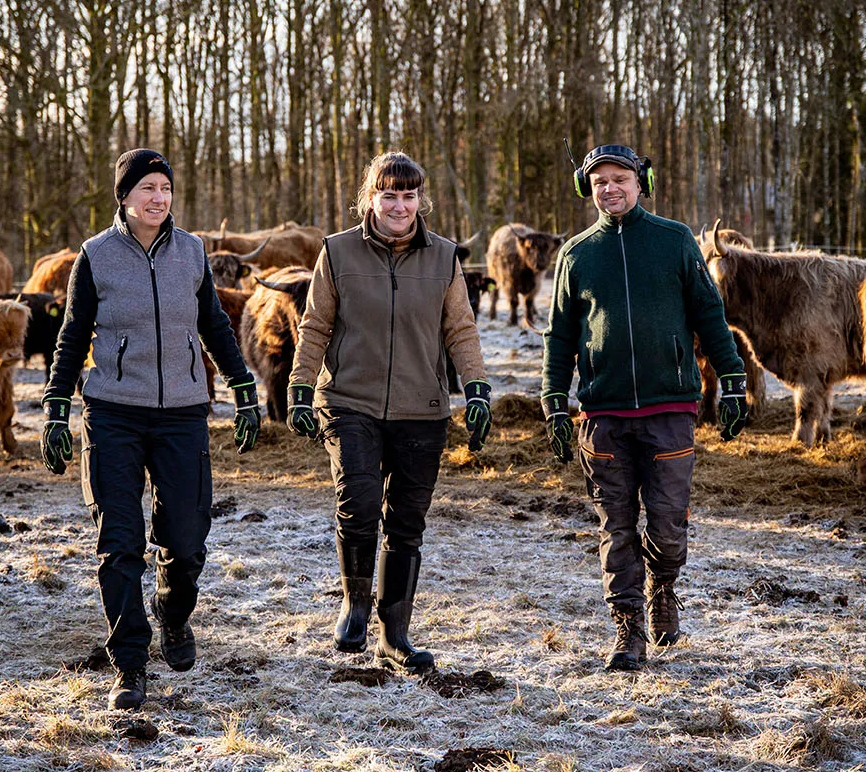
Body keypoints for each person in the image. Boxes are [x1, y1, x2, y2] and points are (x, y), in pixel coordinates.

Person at [40, 149, 261, 712]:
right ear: (124, 195)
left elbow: (213, 321)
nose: (158, 198)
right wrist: (55, 405)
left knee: (186, 543)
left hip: (184, 411)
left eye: (165, 187)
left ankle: (173, 611)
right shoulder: (94, 256)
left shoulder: (191, 251)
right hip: (113, 411)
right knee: (119, 544)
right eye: (147, 189)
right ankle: (130, 665)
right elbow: (71, 336)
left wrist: (243, 386)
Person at [541, 145, 748, 672]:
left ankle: (663, 588)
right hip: (603, 417)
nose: (609, 188)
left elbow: (710, 314)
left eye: (620, 179)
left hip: (670, 409)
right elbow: (560, 335)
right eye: (599, 181)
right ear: (585, 189)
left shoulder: (674, 241)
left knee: (667, 525)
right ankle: (628, 628)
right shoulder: (577, 254)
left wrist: (732, 380)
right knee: (615, 527)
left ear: (642, 183)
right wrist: (554, 403)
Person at [286, 151, 491, 673]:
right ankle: (355, 603)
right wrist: (299, 387)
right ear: (370, 198)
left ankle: (394, 634)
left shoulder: (444, 257)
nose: (399, 205)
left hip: (421, 408)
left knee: (406, 523)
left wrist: (478, 387)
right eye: (388, 194)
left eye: (408, 195)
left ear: (421, 200)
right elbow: (315, 327)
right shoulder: (336, 253)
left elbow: (460, 330)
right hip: (349, 401)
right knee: (356, 503)